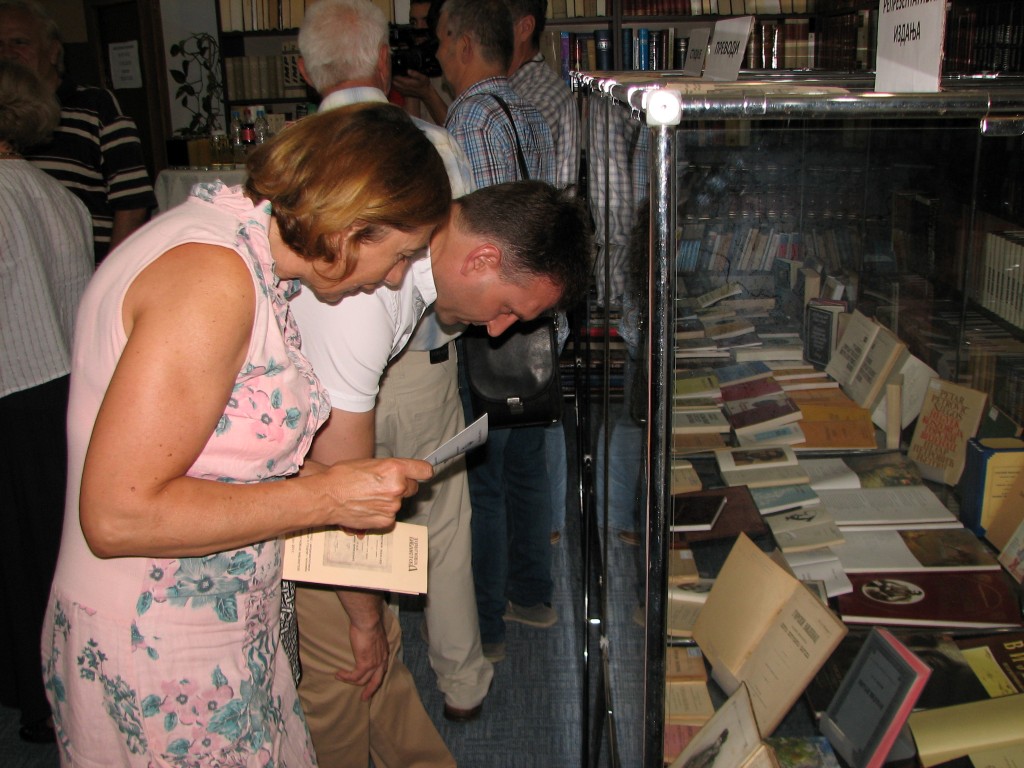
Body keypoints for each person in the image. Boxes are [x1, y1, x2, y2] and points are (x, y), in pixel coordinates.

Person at [39, 103, 450, 766]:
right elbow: (117, 515)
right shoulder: (212, 279)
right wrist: (326, 497)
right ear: (355, 224)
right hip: (157, 640)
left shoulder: (244, 256)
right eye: (401, 253)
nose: (397, 276)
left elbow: (220, 457)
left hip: (213, 625)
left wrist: (341, 483)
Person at [291, 179, 591, 762]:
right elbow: (337, 501)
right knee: (344, 672)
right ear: (482, 258)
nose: (497, 331)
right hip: (254, 493)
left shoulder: (408, 279)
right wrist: (365, 619)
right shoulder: (371, 300)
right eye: (507, 308)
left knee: (377, 649)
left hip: (304, 468)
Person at [294, 1, 488, 762]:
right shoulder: (434, 144)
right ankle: (462, 682)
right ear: (384, 62)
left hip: (318, 385)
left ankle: (367, 652)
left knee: (351, 532)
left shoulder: (295, 156)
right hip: (421, 370)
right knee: (440, 527)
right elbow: (460, 272)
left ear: (304, 71)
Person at [435, 0, 559, 664]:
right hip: (532, 320)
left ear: (462, 45)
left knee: (481, 478)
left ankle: (488, 625)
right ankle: (533, 594)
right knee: (527, 467)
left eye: (440, 43)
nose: (436, 56)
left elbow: (468, 243)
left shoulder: (465, 119)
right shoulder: (529, 112)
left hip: (487, 319)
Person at [0, 59, 92, 746]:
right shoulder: (56, 193)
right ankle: (62, 688)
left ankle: (36, 699)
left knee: (18, 555)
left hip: (11, 387)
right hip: (64, 387)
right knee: (55, 547)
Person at [503, 0, 581, 544]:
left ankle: (548, 525)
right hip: (539, 270)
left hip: (533, 273)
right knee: (539, 404)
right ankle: (547, 525)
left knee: (538, 403)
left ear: (525, 26)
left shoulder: (534, 95)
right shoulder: (534, 92)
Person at [0, 0, 156, 263]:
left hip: (85, 265)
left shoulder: (95, 106)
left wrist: (110, 274)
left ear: (53, 51)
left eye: (19, 42)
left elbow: (132, 203)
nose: (7, 54)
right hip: (18, 267)